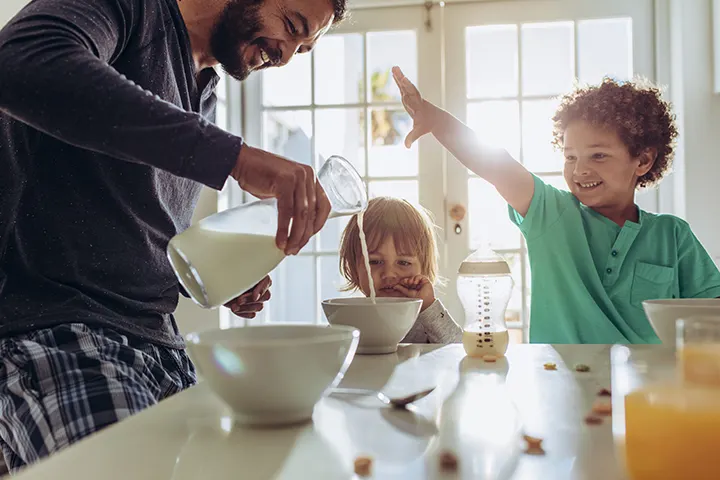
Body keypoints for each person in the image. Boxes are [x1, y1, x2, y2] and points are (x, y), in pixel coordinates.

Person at [0, 0, 348, 472]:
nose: (285, 56)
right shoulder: (131, 12)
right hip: (58, 333)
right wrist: (235, 158)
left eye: (302, 49)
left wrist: (214, 275)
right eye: (291, 27)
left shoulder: (204, 93)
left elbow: (134, 231)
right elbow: (19, 62)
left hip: (162, 349)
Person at [392, 67, 720, 345]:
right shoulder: (552, 215)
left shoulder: (672, 235)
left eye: (599, 155)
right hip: (558, 384)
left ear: (644, 160)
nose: (580, 170)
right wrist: (435, 120)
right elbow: (496, 164)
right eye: (570, 157)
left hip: (646, 392)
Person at [338, 197, 462, 344]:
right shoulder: (348, 317)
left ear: (424, 268)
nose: (389, 274)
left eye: (403, 263)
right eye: (374, 261)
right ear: (353, 268)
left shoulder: (426, 319)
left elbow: (457, 348)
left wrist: (429, 306)